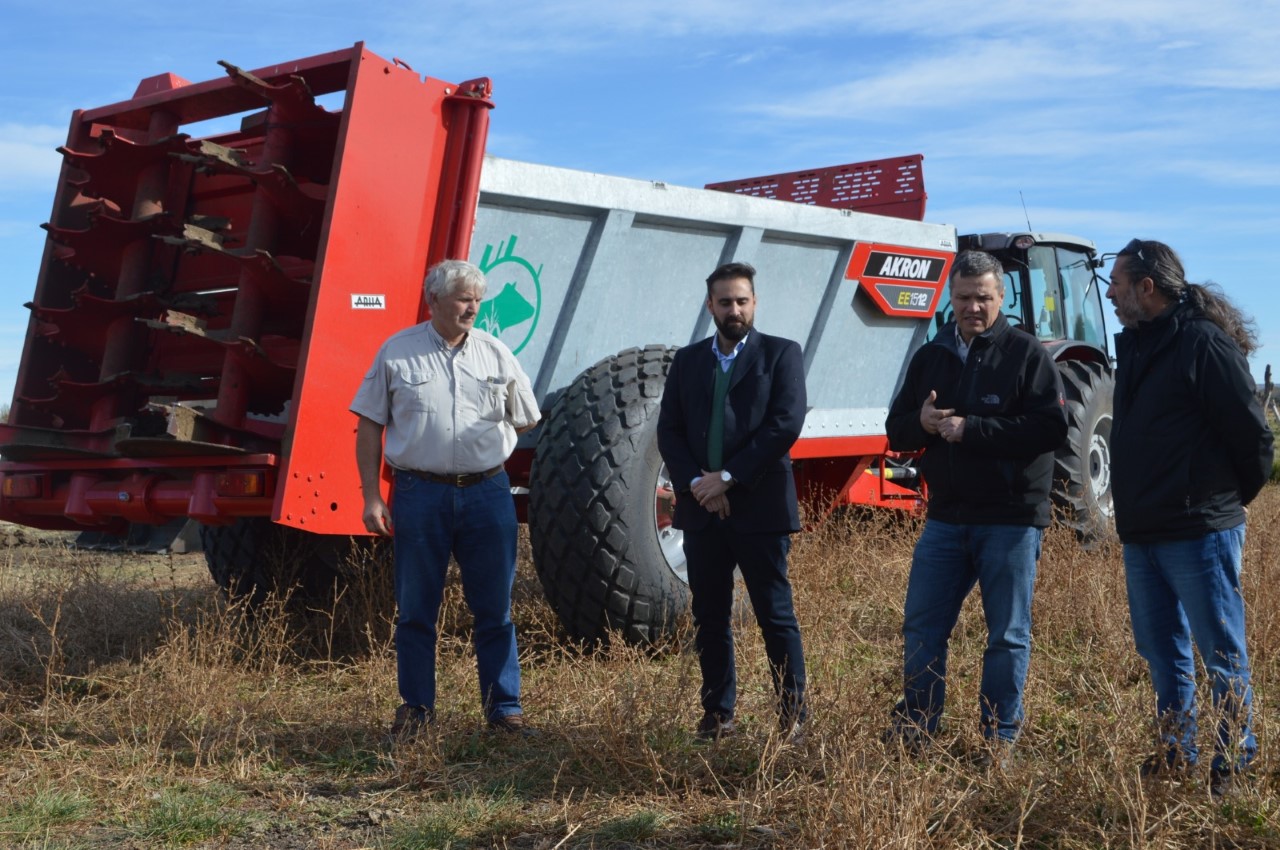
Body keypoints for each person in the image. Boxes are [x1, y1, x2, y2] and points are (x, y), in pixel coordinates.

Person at [1106, 238, 1273, 794]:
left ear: (1146, 288)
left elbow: (1254, 440)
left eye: (1118, 283)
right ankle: (1176, 751)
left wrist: (1220, 507)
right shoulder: (1135, 345)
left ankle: (1235, 763)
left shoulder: (1202, 344)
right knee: (1162, 653)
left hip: (1199, 532)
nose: (1110, 294)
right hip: (1143, 533)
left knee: (1222, 654)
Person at [884, 250, 1067, 754]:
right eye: (963, 298)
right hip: (945, 518)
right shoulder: (932, 356)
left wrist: (974, 430)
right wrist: (918, 424)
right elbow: (894, 429)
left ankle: (998, 738)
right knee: (922, 625)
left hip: (1010, 519)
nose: (972, 308)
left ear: (1000, 296)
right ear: (951, 297)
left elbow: (1051, 427)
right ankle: (918, 728)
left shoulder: (1027, 355)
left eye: (982, 298)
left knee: (1007, 636)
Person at [351, 259, 541, 741]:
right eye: (462, 297)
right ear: (433, 301)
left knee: (494, 609)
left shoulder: (496, 353)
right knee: (416, 609)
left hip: (487, 494)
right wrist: (373, 496)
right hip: (419, 494)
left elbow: (527, 417)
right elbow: (370, 423)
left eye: (477, 298)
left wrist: (488, 429)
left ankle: (505, 711)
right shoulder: (397, 352)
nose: (472, 306)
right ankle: (416, 712)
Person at [656, 261, 808, 741]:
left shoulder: (781, 354)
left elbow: (784, 424)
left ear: (754, 303)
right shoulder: (688, 361)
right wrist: (700, 487)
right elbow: (670, 430)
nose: (734, 309)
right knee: (710, 616)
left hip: (758, 507)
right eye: (725, 302)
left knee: (774, 615)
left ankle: (793, 719)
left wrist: (728, 479)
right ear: (710, 306)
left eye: (742, 300)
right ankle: (718, 716)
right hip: (703, 511)